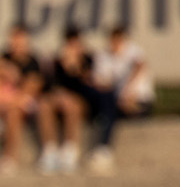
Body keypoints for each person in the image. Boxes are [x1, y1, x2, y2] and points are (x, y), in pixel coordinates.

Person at [87, 24, 155, 174]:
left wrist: (127, 93)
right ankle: (103, 149)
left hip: (139, 102)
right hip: (117, 102)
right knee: (108, 105)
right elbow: (101, 82)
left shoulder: (134, 52)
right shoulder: (104, 55)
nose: (115, 44)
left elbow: (139, 67)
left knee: (109, 109)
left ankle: (103, 148)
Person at [0, 25, 44, 174]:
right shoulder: (5, 57)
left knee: (14, 112)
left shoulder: (33, 62)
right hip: (4, 100)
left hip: (24, 102)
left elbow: (31, 88)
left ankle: (10, 156)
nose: (16, 44)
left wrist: (16, 78)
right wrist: (5, 69)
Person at [39, 27, 94, 174]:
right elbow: (50, 86)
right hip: (60, 99)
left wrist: (75, 69)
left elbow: (89, 86)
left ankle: (70, 151)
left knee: (72, 106)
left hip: (82, 101)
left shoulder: (88, 60)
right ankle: (50, 151)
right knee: (44, 105)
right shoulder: (58, 62)